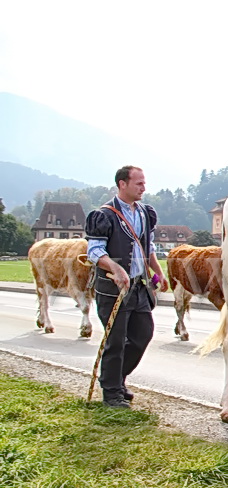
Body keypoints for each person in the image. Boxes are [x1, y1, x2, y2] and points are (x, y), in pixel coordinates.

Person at [86, 165, 169, 408]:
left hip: (139, 287)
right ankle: (111, 394)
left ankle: (116, 379)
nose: (144, 188)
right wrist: (115, 267)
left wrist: (157, 270)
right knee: (115, 341)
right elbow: (94, 252)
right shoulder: (104, 215)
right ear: (122, 184)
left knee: (143, 334)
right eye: (139, 183)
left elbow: (148, 247)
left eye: (144, 183)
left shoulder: (145, 213)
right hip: (113, 289)